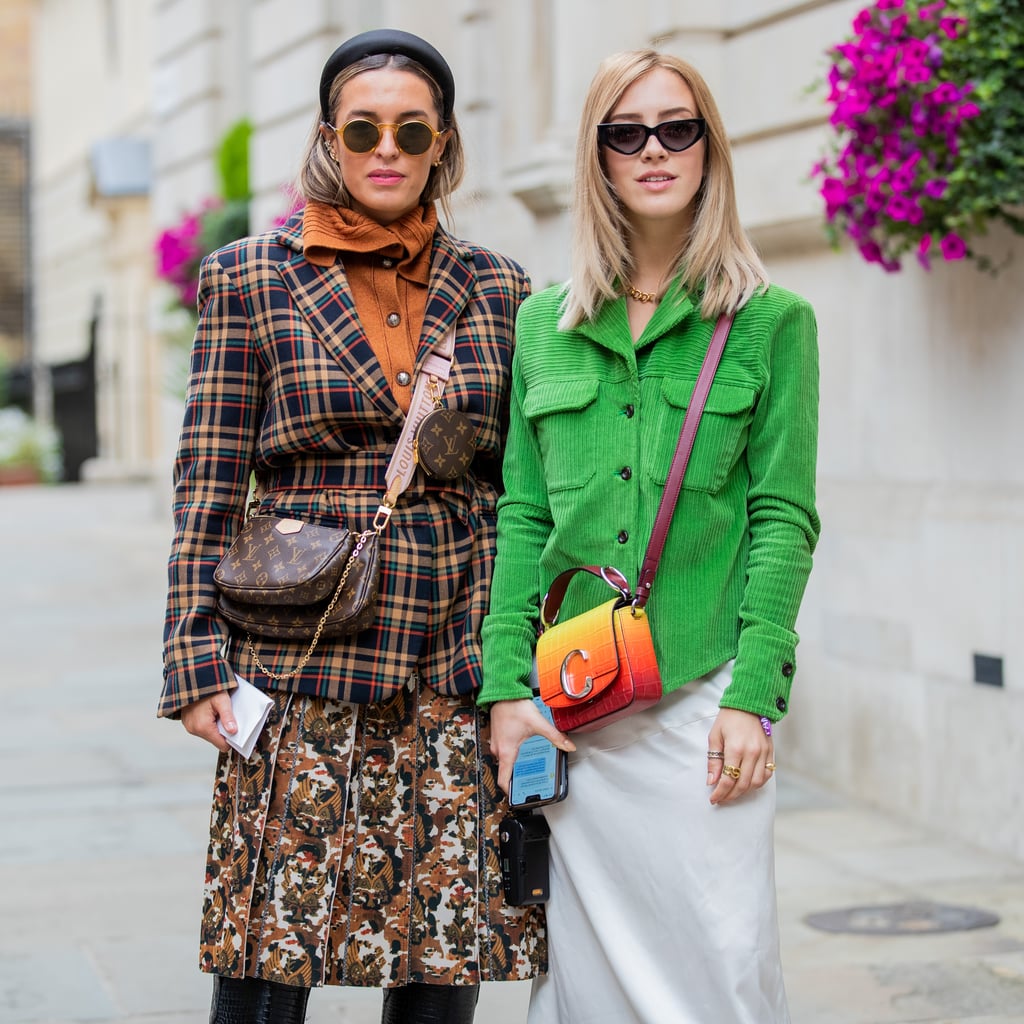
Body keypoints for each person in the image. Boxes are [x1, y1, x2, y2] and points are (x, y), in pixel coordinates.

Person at [159, 29, 543, 1024]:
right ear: (331, 136)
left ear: (442, 146)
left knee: (438, 941)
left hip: (450, 642)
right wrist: (194, 660)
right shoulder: (251, 275)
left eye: (410, 131)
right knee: (267, 943)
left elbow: (518, 484)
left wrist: (519, 660)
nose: (386, 148)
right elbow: (208, 476)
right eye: (362, 127)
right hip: (298, 641)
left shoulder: (499, 288)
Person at [480, 48, 820, 1023]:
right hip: (575, 710)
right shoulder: (543, 323)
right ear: (597, 157)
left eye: (678, 127)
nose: (654, 149)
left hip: (701, 700)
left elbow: (782, 518)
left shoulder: (771, 322)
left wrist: (753, 698)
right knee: (589, 983)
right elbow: (525, 515)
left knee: (721, 966)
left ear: (710, 148)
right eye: (626, 133)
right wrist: (505, 690)